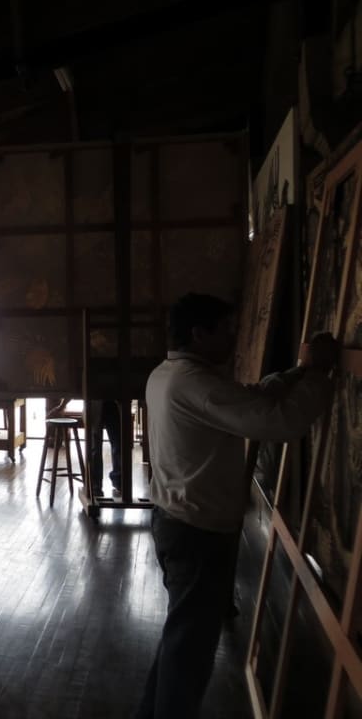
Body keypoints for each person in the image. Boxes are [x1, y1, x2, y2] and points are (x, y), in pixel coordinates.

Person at [134, 292, 337, 719]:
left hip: (180, 522)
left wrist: (297, 373)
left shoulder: (170, 373)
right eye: (226, 330)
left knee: (182, 640)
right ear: (199, 333)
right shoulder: (197, 383)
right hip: (196, 531)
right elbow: (280, 422)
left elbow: (248, 398)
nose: (233, 338)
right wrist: (319, 374)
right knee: (189, 651)